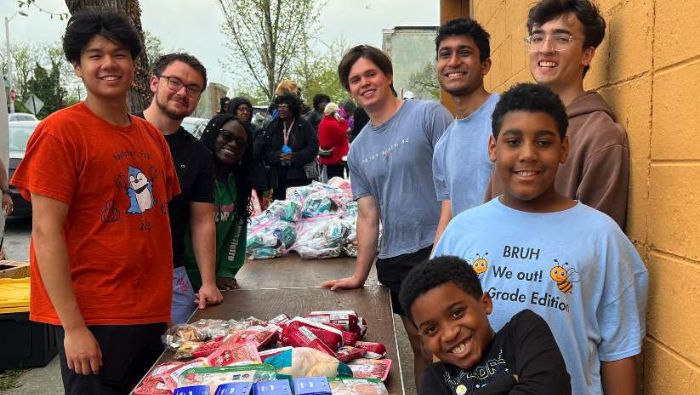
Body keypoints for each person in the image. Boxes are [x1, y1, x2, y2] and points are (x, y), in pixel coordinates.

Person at [433, 83, 648, 395]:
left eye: (544, 142)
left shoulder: (602, 238)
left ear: (564, 149)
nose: (528, 154)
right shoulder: (461, 232)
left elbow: (619, 354)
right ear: (493, 147)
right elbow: (438, 338)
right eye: (514, 141)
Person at [11, 9, 180, 394]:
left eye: (119, 54)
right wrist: (72, 327)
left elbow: (156, 226)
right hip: (94, 317)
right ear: (77, 66)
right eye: (95, 55)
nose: (109, 64)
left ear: (134, 65)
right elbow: (44, 231)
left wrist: (164, 312)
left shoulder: (150, 137)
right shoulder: (60, 133)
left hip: (149, 316)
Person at [321, 45, 453, 387]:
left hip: (440, 249)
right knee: (423, 348)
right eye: (355, 80)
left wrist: (443, 247)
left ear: (388, 75)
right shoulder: (360, 148)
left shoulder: (429, 115)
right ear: (349, 89)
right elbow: (368, 215)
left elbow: (455, 185)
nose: (364, 83)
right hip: (397, 259)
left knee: (451, 348)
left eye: (371, 74)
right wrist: (358, 274)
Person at [485, 0, 629, 229]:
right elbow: (492, 216)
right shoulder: (513, 123)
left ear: (587, 54)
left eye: (562, 38)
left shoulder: (602, 136)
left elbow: (595, 242)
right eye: (537, 37)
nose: (545, 48)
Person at [399, 256, 571, 395]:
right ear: (423, 340)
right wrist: (508, 382)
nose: (450, 334)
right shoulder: (435, 378)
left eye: (457, 313)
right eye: (431, 329)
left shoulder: (524, 330)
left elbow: (550, 388)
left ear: (485, 304)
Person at [140, 52, 222, 324]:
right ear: (154, 83)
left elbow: (202, 220)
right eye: (174, 82)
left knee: (178, 356)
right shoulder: (121, 134)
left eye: (192, 88)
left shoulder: (197, 154)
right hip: (118, 278)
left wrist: (208, 282)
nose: (182, 92)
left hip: (171, 274)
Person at [432, 18, 499, 243]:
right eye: (445, 54)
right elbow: (449, 213)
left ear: (485, 65)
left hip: (511, 263)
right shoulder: (444, 144)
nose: (453, 62)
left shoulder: (511, 117)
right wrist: (435, 265)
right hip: (469, 264)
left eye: (464, 52)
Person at [184, 114, 255, 291]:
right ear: (213, 134)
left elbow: (236, 232)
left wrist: (226, 271)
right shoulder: (191, 177)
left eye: (240, 143)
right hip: (182, 276)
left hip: (215, 280)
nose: (232, 144)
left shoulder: (238, 184)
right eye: (227, 136)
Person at [261, 93, 319, 200]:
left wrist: (294, 156)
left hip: (299, 176)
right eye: (279, 107)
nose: (281, 110)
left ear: (293, 108)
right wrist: (279, 155)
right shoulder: (273, 125)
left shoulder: (304, 124)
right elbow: (266, 148)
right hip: (279, 177)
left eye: (284, 107)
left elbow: (313, 148)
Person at [318, 102, 349, 180]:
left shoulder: (323, 122)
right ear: (334, 112)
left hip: (327, 156)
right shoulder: (333, 124)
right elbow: (343, 135)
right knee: (337, 179)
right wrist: (343, 122)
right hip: (336, 157)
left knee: (330, 178)